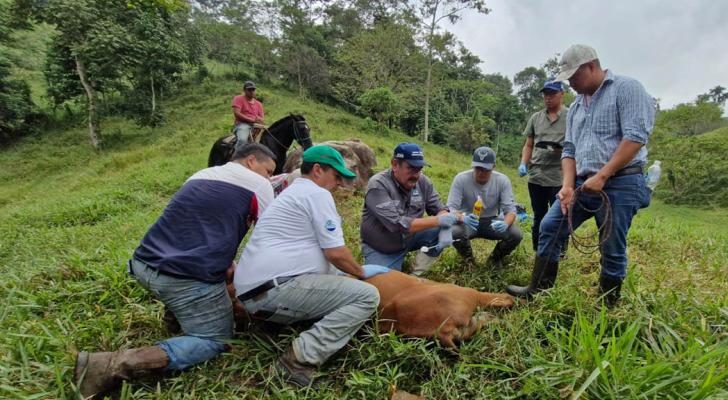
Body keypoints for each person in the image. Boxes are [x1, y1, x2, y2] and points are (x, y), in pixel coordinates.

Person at [74, 144, 278, 398]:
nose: (269, 177)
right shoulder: (259, 186)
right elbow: (270, 234)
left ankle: (175, 318)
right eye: (268, 171)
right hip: (184, 279)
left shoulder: (201, 175)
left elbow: (197, 225)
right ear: (250, 161)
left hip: (143, 264)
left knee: (215, 277)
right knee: (216, 339)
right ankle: (110, 366)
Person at [506, 44, 654, 306]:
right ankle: (538, 289)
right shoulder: (576, 108)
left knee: (611, 243)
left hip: (620, 183)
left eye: (574, 76)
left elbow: (635, 137)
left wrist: (604, 176)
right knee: (550, 226)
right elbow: (570, 150)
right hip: (582, 184)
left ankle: (607, 304)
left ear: (592, 66)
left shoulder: (626, 88)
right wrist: (566, 185)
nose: (571, 83)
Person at [233, 145, 388, 388]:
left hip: (253, 291)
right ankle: (298, 360)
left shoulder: (291, 194)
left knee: (335, 286)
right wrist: (360, 271)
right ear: (317, 170)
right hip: (277, 288)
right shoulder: (317, 194)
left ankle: (268, 325)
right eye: (336, 177)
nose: (339, 184)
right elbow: (335, 253)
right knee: (367, 296)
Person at [360, 142, 456, 276]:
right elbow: (397, 224)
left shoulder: (423, 182)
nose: (416, 175)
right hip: (382, 248)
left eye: (419, 169)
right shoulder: (378, 185)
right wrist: (439, 220)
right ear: (395, 165)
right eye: (411, 168)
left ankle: (416, 273)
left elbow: (440, 209)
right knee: (383, 286)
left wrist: (444, 225)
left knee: (444, 228)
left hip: (409, 239)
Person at [447, 146, 522, 268]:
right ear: (473, 166)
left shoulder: (502, 181)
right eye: (478, 168)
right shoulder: (461, 179)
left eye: (485, 169)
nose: (481, 172)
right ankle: (469, 260)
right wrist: (462, 218)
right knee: (454, 232)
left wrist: (506, 223)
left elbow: (510, 210)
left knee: (515, 234)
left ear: (493, 166)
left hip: (492, 221)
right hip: (468, 221)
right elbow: (451, 208)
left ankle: (495, 259)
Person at [518, 80, 569, 257]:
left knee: (560, 216)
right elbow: (529, 144)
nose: (548, 98)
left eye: (552, 94)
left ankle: (561, 251)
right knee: (539, 215)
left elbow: (576, 145)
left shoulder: (571, 116)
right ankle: (537, 249)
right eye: (545, 95)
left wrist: (560, 149)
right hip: (537, 174)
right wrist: (524, 163)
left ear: (562, 94)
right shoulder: (536, 118)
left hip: (560, 176)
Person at [232, 80, 265, 150]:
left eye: (253, 89)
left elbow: (262, 118)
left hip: (257, 126)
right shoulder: (238, 99)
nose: (252, 91)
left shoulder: (259, 104)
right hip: (242, 124)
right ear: (244, 90)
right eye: (249, 90)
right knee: (242, 140)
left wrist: (259, 120)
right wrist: (252, 120)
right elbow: (237, 113)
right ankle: (236, 158)